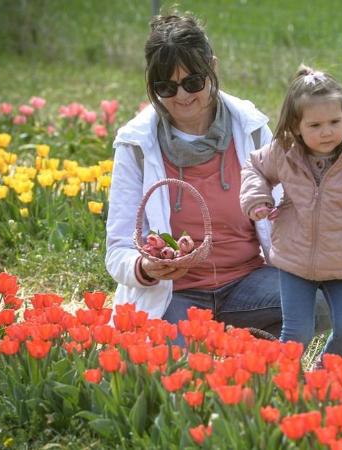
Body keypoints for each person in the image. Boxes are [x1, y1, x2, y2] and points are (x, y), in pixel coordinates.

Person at [106, 12, 304, 341]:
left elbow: (286, 214)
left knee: (317, 302)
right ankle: (222, 348)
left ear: (213, 67)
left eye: (193, 82)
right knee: (170, 364)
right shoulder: (136, 144)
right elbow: (118, 250)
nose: (182, 96)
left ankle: (249, 352)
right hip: (175, 294)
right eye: (166, 87)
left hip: (247, 283)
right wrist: (145, 268)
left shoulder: (251, 129)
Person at [240, 66, 342, 361]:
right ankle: (277, 378)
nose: (327, 131)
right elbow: (254, 168)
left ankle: (324, 375)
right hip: (294, 260)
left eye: (334, 122)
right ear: (295, 125)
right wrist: (258, 198)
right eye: (315, 125)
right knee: (296, 334)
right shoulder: (284, 152)